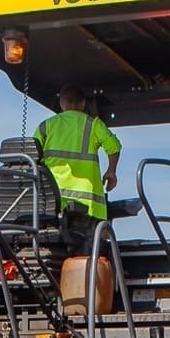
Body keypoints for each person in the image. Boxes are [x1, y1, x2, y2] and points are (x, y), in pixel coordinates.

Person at [34, 84, 121, 248]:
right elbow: (114, 146)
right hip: (89, 209)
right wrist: (111, 171)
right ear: (83, 104)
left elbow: (31, 158)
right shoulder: (93, 124)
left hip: (53, 205)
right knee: (95, 252)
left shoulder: (46, 126)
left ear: (61, 104)